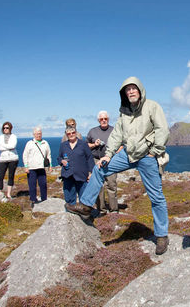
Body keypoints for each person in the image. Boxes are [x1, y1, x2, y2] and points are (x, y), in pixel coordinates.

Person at [67, 77, 170, 255]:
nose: (131, 91)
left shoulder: (152, 106)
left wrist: (154, 151)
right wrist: (108, 155)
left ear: (140, 90)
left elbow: (162, 129)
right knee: (99, 168)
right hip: (128, 154)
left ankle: (161, 235)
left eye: (133, 88)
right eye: (127, 89)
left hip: (147, 155)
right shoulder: (124, 112)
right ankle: (86, 206)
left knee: (156, 196)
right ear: (124, 93)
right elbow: (117, 135)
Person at [87, 110, 118, 214]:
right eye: (101, 119)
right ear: (98, 120)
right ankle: (101, 210)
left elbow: (122, 144)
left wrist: (116, 151)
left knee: (112, 185)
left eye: (105, 119)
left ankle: (114, 209)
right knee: (98, 186)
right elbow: (86, 146)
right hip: (96, 160)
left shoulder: (115, 130)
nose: (104, 120)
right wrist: (95, 145)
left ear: (108, 119)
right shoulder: (92, 131)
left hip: (111, 160)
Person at [58, 126, 94, 205]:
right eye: (69, 133)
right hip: (68, 176)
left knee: (84, 199)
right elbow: (59, 157)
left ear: (76, 133)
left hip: (81, 176)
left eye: (73, 132)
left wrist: (90, 172)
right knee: (69, 200)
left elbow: (90, 158)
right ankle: (71, 216)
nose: (71, 134)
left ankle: (84, 216)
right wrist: (61, 161)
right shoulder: (63, 145)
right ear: (66, 135)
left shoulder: (83, 144)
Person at [22, 127, 51, 208]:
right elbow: (25, 155)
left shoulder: (45, 143)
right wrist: (26, 166)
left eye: (40, 133)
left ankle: (44, 199)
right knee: (32, 184)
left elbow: (48, 155)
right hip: (32, 168)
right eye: (37, 133)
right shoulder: (29, 143)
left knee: (43, 184)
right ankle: (33, 200)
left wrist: (50, 165)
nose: (39, 135)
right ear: (34, 134)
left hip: (41, 167)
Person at [0, 122, 19, 200]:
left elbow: (13, 146)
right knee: (0, 176)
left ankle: (9, 194)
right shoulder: (0, 137)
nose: (5, 129)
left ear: (10, 128)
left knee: (11, 176)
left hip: (13, 159)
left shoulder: (14, 136)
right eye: (4, 128)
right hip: (3, 159)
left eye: (7, 128)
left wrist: (2, 146)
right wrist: (8, 147)